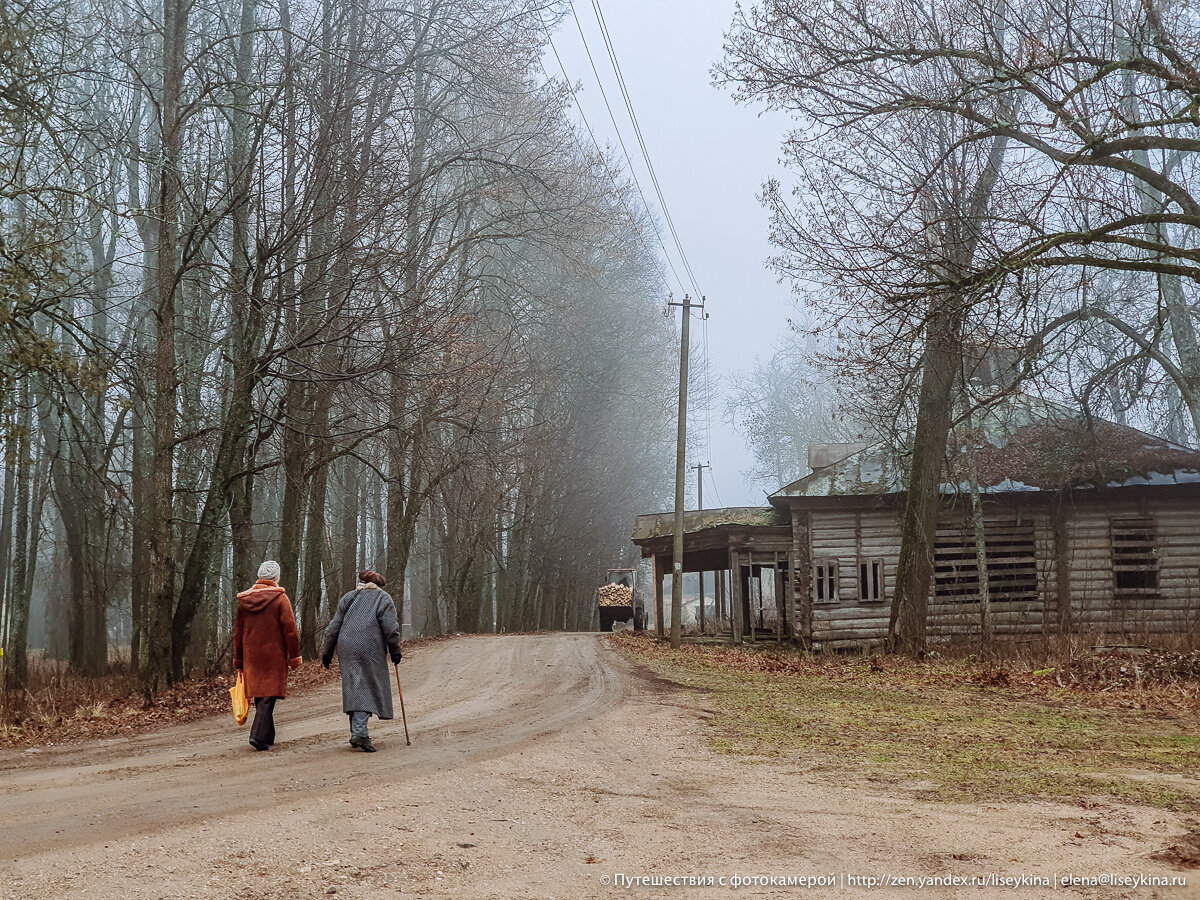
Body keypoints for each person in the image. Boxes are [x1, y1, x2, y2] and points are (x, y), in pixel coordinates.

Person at [321, 570, 403, 752]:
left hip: (346, 647)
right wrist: (395, 650)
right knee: (366, 687)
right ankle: (360, 733)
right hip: (370, 647)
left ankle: (357, 732)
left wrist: (327, 652)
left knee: (354, 686)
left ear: (361, 582)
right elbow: (390, 628)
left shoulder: (348, 597)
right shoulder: (383, 598)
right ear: (378, 585)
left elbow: (333, 627)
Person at [233, 560, 302, 751]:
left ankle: (268, 737)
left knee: (261, 696)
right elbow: (290, 631)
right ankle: (257, 736)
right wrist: (294, 656)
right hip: (273, 655)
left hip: (252, 657)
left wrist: (239, 659)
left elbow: (238, 633)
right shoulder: (281, 599)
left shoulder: (244, 602)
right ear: (276, 578)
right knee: (268, 696)